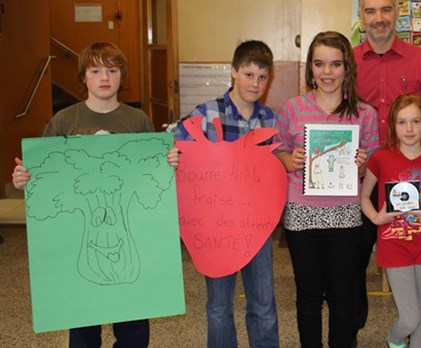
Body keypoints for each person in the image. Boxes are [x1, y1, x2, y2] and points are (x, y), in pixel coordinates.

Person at [11, 41, 153, 348]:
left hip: (128, 234)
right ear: (83, 78)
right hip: (80, 237)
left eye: (112, 70)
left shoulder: (138, 122)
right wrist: (26, 179)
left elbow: (149, 176)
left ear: (121, 76)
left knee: (134, 329)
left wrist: (168, 163)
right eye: (95, 70)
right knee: (84, 330)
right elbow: (46, 178)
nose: (105, 77)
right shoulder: (64, 121)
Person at [166, 40, 280, 348]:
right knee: (218, 306)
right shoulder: (205, 115)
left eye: (262, 76)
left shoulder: (270, 120)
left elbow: (277, 170)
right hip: (215, 228)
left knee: (263, 303)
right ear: (233, 72)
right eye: (248, 74)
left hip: (257, 227)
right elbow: (172, 148)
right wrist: (172, 156)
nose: (254, 83)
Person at [274, 31, 379, 348]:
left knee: (342, 293)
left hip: (346, 215)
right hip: (302, 215)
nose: (327, 72)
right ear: (311, 68)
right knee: (307, 293)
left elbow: (373, 163)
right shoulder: (293, 108)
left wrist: (361, 165)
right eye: (319, 64)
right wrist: (288, 160)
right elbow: (277, 149)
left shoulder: (365, 114)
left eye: (335, 64)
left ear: (347, 67)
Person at [352, 0, 421, 345]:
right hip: (362, 178)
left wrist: (414, 160)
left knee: (418, 258)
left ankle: (420, 337)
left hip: (408, 180)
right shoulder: (347, 62)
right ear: (361, 17)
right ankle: (353, 328)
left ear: (398, 14)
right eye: (371, 11)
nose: (379, 18)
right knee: (355, 260)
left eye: (386, 9)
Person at [360, 94, 421, 348]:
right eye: (402, 122)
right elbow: (364, 196)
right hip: (394, 245)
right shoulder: (380, 158)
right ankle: (393, 339)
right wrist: (376, 218)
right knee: (410, 318)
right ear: (393, 126)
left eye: (415, 121)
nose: (409, 129)